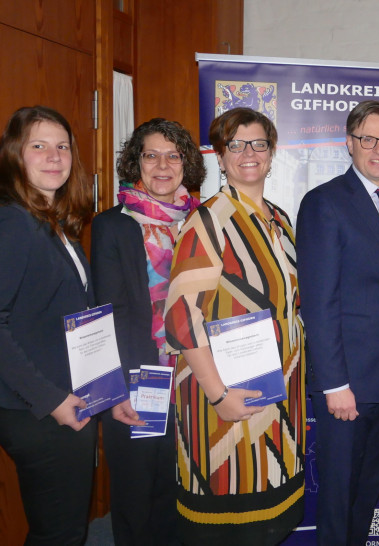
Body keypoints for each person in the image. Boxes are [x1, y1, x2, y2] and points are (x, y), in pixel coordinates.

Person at [164, 107, 305, 545]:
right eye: (235, 144)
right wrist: (217, 394)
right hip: (224, 395)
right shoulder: (207, 221)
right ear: (220, 157)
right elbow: (182, 317)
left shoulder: (280, 220)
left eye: (258, 143)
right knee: (230, 523)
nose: (248, 153)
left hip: (280, 388)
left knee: (271, 520)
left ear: (272, 152)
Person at [297, 100, 379, 545]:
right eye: (367, 138)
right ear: (349, 143)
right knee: (337, 497)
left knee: (368, 491)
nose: (378, 148)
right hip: (346, 382)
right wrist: (334, 385)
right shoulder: (323, 203)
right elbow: (318, 302)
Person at [91, 118, 204, 545]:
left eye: (173, 155)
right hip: (138, 379)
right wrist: (113, 389)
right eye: (151, 154)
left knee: (182, 486)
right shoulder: (113, 225)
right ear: (135, 162)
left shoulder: (201, 220)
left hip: (195, 376)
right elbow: (105, 311)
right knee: (137, 492)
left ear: (186, 163)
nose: (162, 165)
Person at [0, 105, 95, 544]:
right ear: (15, 154)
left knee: (62, 528)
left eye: (62, 147)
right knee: (59, 533)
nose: (54, 156)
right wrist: (52, 400)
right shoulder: (13, 221)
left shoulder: (53, 221)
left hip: (62, 397)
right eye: (38, 146)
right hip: (39, 409)